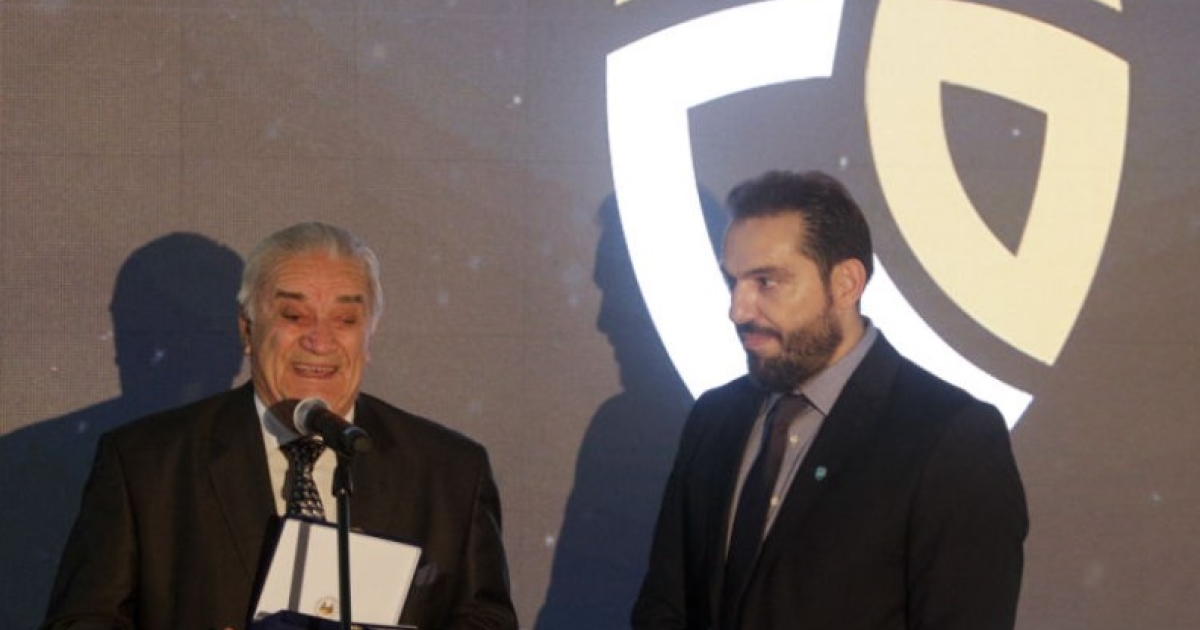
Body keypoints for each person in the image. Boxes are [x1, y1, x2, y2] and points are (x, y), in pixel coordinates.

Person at [42, 222, 519, 630]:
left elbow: (487, 622)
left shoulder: (450, 471)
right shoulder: (146, 465)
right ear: (248, 329)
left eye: (345, 319)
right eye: (293, 315)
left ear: (369, 335)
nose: (320, 341)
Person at [630, 171, 1028, 630]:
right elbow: (666, 605)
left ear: (846, 284)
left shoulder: (951, 437)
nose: (738, 310)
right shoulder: (715, 418)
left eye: (766, 282)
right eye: (732, 282)